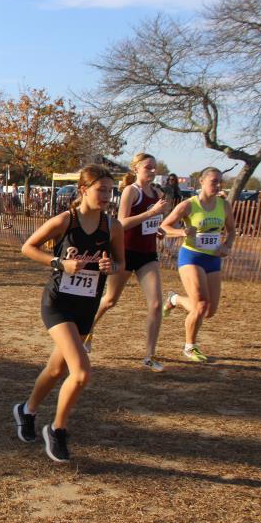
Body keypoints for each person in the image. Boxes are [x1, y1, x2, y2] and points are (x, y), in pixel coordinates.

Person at [14, 164, 123, 463]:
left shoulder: (113, 227)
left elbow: (121, 264)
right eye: (101, 189)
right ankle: (57, 430)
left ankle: (26, 410)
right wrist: (60, 263)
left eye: (110, 190)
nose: (107, 195)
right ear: (84, 190)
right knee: (82, 373)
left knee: (56, 370)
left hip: (86, 306)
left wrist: (110, 267)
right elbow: (28, 247)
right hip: (58, 303)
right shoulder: (66, 220)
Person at [86, 153, 169, 371]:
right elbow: (121, 223)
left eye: (155, 167)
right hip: (125, 252)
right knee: (110, 300)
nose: (153, 171)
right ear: (136, 169)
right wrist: (151, 213)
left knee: (156, 304)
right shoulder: (131, 191)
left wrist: (157, 228)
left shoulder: (157, 193)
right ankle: (87, 331)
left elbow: (149, 222)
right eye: (148, 167)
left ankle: (149, 355)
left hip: (148, 254)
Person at [160, 167, 236, 363]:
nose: (218, 185)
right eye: (214, 181)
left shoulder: (224, 205)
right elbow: (164, 226)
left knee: (208, 311)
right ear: (202, 181)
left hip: (213, 259)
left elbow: (231, 231)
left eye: (220, 181)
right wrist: (182, 232)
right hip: (191, 257)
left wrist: (227, 245)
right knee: (201, 304)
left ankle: (174, 299)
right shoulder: (188, 205)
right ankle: (190, 346)